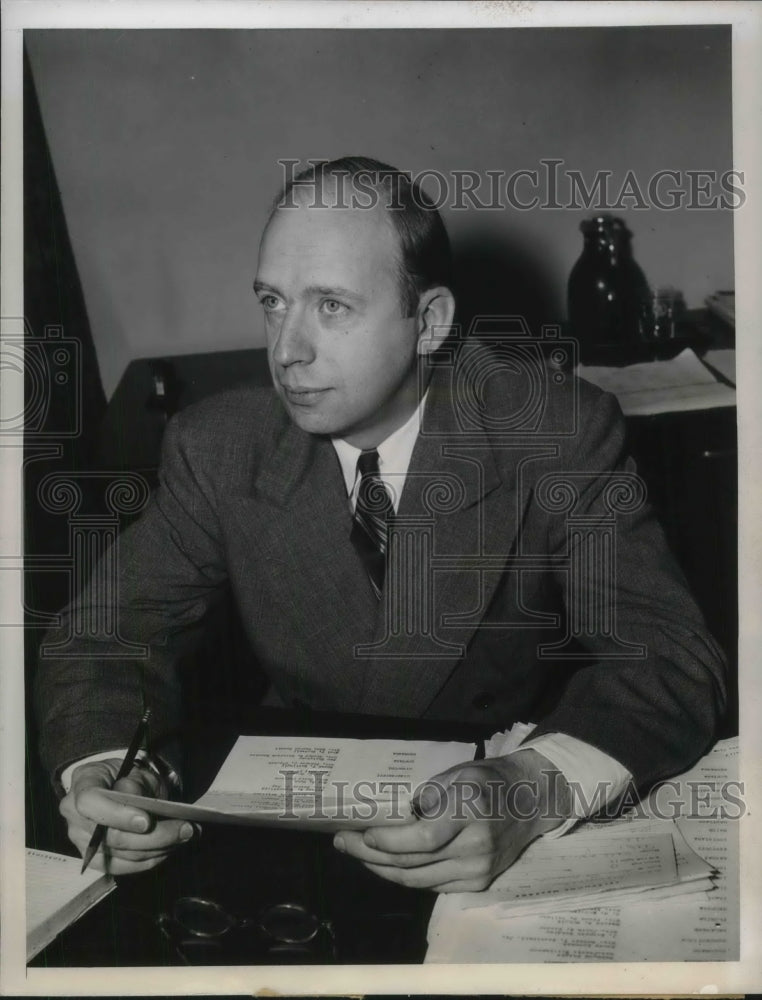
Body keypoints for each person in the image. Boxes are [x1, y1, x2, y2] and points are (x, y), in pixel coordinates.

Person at [35, 157, 726, 892]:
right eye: (274, 301)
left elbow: (672, 660)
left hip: (485, 823)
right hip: (289, 825)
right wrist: (108, 765)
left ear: (429, 321)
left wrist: (530, 787)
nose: (287, 351)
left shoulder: (552, 431)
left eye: (331, 306)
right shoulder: (219, 447)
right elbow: (103, 632)